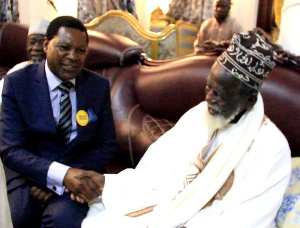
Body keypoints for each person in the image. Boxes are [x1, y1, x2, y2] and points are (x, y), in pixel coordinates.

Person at [82, 30, 291, 228]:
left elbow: (248, 219)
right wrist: (106, 185)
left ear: (249, 101)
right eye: (209, 87)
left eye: (219, 95)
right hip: (164, 210)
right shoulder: (200, 114)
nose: (209, 98)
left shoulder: (272, 149)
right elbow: (153, 173)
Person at [0, 16, 117, 228]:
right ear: (46, 44)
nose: (73, 57)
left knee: (63, 220)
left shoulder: (97, 87)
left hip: (78, 178)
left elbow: (106, 144)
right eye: (64, 47)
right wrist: (57, 177)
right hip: (29, 178)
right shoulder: (18, 83)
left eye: (80, 51)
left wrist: (66, 182)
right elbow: (11, 149)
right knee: (20, 216)